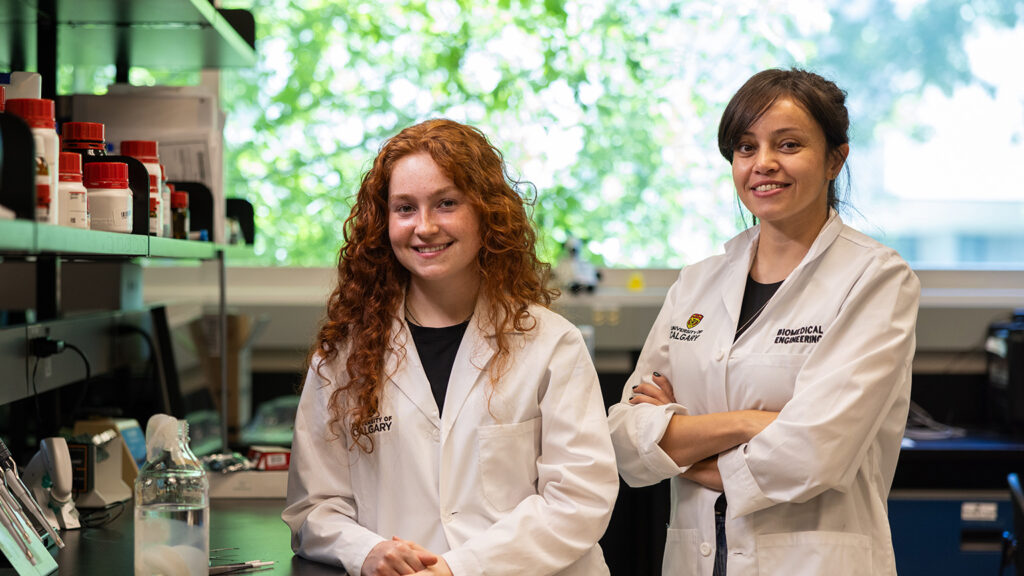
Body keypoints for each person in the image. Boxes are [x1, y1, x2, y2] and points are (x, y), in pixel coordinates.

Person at [608, 68, 920, 576]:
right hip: (698, 557)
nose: (763, 164)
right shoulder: (697, 283)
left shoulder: (876, 279)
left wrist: (681, 442)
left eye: (789, 144)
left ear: (835, 160)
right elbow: (626, 440)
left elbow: (814, 451)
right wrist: (751, 424)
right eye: (746, 147)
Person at [283, 118, 619, 576]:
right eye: (404, 208)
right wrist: (366, 551)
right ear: (383, 222)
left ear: (486, 212)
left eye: (445, 203)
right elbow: (314, 507)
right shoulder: (343, 355)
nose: (424, 227)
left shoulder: (551, 343)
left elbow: (580, 500)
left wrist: (460, 567)